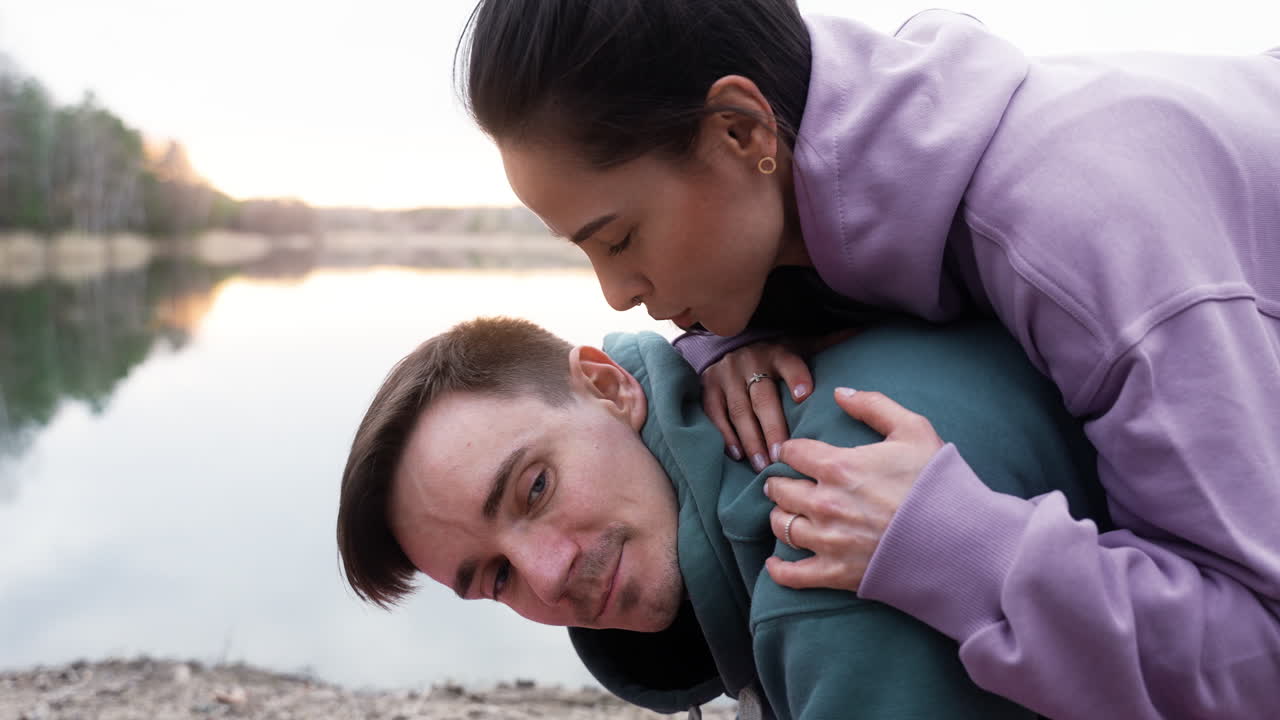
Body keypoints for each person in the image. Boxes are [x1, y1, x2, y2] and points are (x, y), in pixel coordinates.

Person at [456, 2, 1280, 717]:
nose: (616, 295)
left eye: (620, 238)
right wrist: (731, 339)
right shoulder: (842, 186)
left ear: (740, 131)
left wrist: (960, 547)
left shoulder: (1089, 241)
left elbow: (1261, 653)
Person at [337, 316, 1110, 720]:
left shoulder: (825, 528)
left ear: (609, 388)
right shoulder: (752, 416)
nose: (548, 574)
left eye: (535, 488)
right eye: (498, 576)